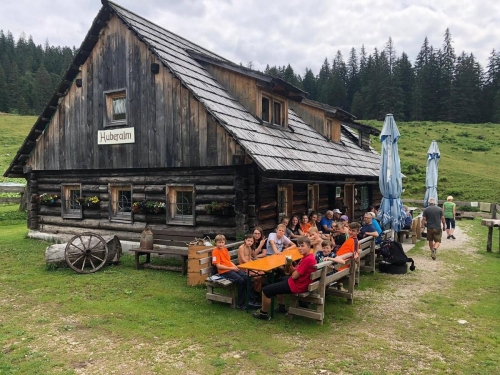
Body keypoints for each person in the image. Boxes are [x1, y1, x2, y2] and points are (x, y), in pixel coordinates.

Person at [253, 237, 316, 321]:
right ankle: (281, 307)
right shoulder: (307, 257)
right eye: (298, 246)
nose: (299, 248)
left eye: (302, 246)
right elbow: (296, 271)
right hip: (300, 282)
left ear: (308, 247)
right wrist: (289, 265)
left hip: (297, 285)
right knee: (276, 281)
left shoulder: (307, 260)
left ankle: (263, 313)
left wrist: (289, 266)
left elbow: (294, 276)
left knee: (265, 290)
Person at [212, 234, 256, 309]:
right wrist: (232, 268)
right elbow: (218, 266)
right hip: (224, 272)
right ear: (216, 243)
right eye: (219, 242)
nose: (221, 244)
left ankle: (251, 300)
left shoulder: (225, 249)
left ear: (225, 242)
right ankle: (240, 304)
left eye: (222, 242)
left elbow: (229, 261)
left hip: (231, 268)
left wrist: (235, 266)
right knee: (240, 280)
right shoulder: (215, 251)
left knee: (247, 277)